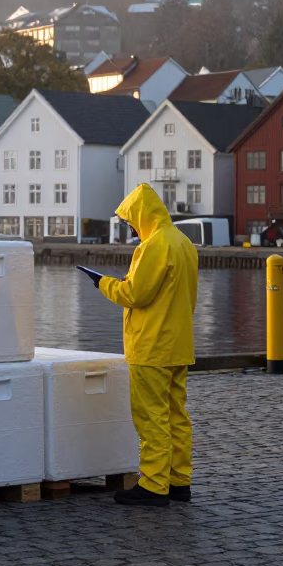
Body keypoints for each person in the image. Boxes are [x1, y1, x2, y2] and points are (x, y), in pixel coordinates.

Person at [81, 183, 198, 507]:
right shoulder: (184, 243)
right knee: (177, 415)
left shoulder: (153, 246)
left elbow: (134, 294)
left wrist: (103, 283)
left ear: (142, 216)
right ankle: (179, 480)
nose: (131, 227)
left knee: (152, 417)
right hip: (179, 344)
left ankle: (154, 484)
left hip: (152, 346)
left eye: (132, 221)